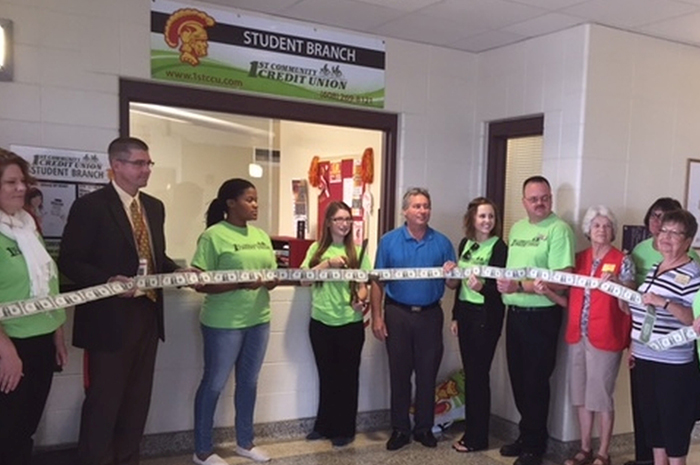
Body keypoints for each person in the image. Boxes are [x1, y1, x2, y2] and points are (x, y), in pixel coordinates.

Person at [59, 137, 181, 465]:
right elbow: (70, 261)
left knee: (137, 400)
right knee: (104, 401)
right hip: (108, 319)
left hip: (146, 313)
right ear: (116, 166)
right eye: (139, 163)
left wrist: (182, 271)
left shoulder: (153, 207)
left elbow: (155, 258)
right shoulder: (91, 206)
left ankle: (128, 458)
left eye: (148, 163)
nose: (146, 170)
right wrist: (107, 282)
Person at [191, 179, 277, 465]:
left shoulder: (261, 236)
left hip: (259, 319)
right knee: (214, 383)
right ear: (230, 203)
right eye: (249, 200)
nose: (255, 205)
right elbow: (199, 283)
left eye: (256, 200)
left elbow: (272, 276)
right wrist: (239, 284)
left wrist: (271, 281)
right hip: (223, 323)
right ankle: (202, 450)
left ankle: (245, 442)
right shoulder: (213, 236)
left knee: (249, 383)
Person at [496, 175, 575, 465]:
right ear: (523, 202)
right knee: (518, 379)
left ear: (551, 199)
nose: (540, 203)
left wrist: (519, 286)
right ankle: (526, 434)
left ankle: (535, 446)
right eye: (534, 199)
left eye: (545, 197)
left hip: (541, 316)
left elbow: (562, 279)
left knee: (535, 382)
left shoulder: (559, 230)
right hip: (515, 314)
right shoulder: (517, 228)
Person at [370, 187, 456, 451]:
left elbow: (452, 285)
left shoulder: (442, 242)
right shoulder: (388, 241)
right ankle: (399, 429)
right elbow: (377, 281)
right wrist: (377, 317)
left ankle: (423, 428)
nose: (423, 211)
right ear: (405, 211)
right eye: (417, 206)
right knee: (399, 374)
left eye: (426, 206)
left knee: (427, 374)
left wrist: (452, 273)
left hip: (430, 315)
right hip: (397, 314)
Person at [0, 149, 67, 465]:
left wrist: (56, 333)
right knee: (6, 429)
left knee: (25, 428)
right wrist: (6, 351)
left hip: (40, 341)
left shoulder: (28, 226)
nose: (20, 188)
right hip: (8, 346)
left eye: (22, 181)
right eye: (10, 182)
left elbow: (47, 284)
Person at [626, 198, 698, 465]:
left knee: (674, 430)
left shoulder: (692, 274)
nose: (666, 237)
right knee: (654, 428)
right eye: (664, 230)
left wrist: (665, 302)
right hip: (645, 358)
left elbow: (694, 318)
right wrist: (635, 345)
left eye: (675, 233)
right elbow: (644, 312)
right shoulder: (657, 268)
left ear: (688, 240)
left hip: (674, 365)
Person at [563, 206, 635, 465]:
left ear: (613, 231)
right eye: (596, 225)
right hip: (577, 335)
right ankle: (584, 448)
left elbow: (629, 302)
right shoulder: (578, 259)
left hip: (606, 335)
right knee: (580, 395)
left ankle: (603, 452)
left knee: (601, 396)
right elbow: (568, 297)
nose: (602, 230)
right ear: (588, 230)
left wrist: (616, 283)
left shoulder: (622, 260)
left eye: (606, 226)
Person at [301, 201, 371, 447]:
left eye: (348, 219)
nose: (344, 224)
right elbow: (304, 280)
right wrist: (327, 264)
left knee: (348, 377)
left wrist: (359, 301)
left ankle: (345, 429)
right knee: (327, 376)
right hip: (321, 322)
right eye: (339, 219)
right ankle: (323, 425)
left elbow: (364, 287)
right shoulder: (316, 250)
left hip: (350, 324)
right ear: (329, 222)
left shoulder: (359, 251)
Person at [447, 197, 507, 453]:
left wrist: (482, 288)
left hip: (486, 316)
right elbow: (459, 285)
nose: (487, 221)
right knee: (471, 374)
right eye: (482, 216)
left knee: (478, 376)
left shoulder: (499, 247)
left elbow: (501, 290)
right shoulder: (466, 244)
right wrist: (455, 316)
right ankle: (472, 431)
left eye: (491, 216)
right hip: (467, 314)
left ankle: (477, 437)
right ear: (472, 219)